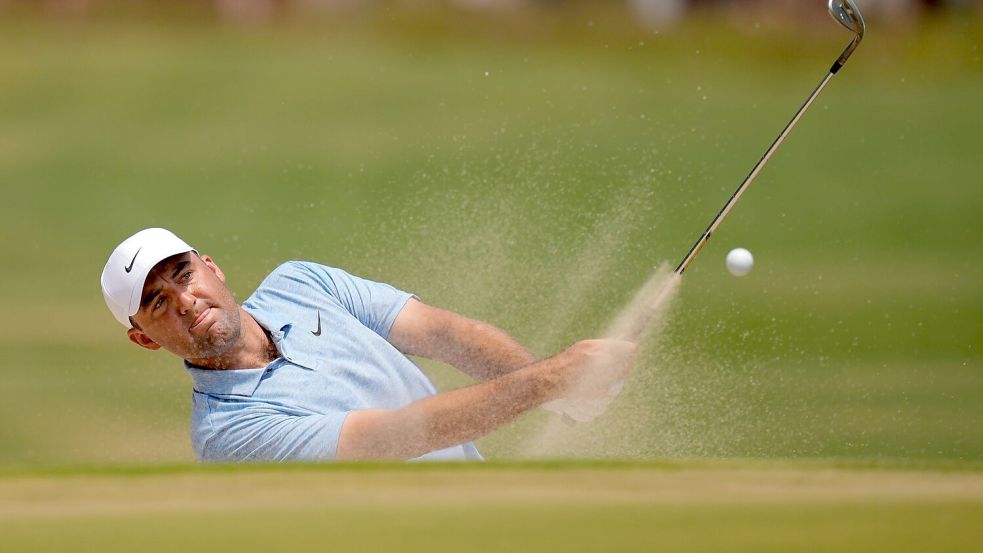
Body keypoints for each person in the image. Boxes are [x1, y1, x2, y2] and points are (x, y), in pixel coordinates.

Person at [101, 228, 637, 462]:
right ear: (144, 338)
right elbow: (396, 435)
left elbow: (444, 334)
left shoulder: (302, 284)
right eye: (158, 303)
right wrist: (547, 381)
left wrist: (562, 388)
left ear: (211, 267)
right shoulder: (228, 434)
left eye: (183, 274)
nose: (185, 300)